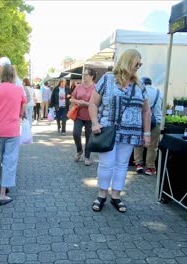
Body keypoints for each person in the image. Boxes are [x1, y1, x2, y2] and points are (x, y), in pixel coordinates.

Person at [88, 49, 151, 213]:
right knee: (107, 164)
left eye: (140, 63)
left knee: (122, 165)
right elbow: (93, 103)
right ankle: (102, 194)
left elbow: (146, 111)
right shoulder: (108, 79)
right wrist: (95, 123)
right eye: (137, 62)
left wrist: (147, 133)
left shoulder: (139, 85)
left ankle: (116, 195)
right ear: (127, 61)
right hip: (108, 130)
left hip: (131, 134)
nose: (139, 66)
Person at [0, 64, 26, 206]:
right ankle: (3, 193)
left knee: (0, 160)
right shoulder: (18, 90)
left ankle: (3, 185)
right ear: (13, 75)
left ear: (2, 75)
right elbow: (22, 112)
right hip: (12, 130)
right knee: (10, 160)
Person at [134, 77, 163, 176]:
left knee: (138, 144)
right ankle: (150, 167)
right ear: (151, 83)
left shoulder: (139, 91)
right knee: (152, 146)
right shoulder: (159, 92)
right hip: (156, 122)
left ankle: (138, 164)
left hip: (141, 121)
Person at [71, 68, 97, 166]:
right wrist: (77, 102)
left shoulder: (96, 87)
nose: (84, 76)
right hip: (79, 115)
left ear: (91, 76)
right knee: (76, 133)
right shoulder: (78, 87)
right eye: (83, 74)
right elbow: (72, 98)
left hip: (91, 116)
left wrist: (86, 103)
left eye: (86, 75)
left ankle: (87, 157)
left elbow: (97, 102)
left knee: (88, 137)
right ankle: (79, 151)